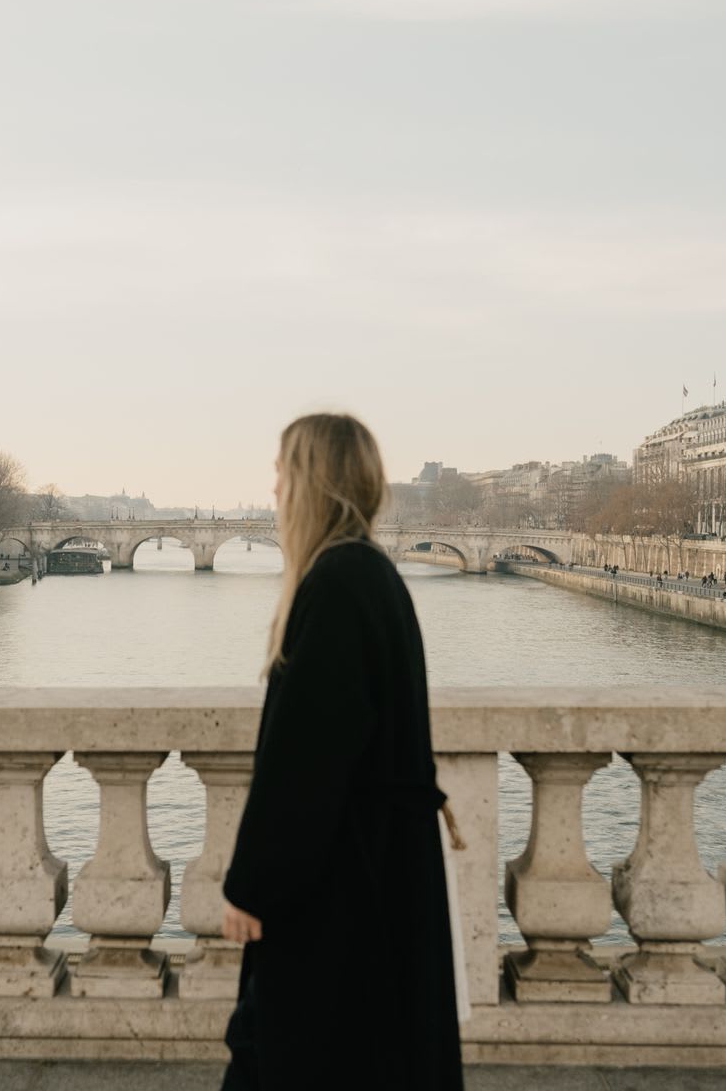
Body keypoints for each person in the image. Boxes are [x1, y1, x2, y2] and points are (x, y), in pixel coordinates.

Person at [220, 414, 463, 1091]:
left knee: (298, 1055)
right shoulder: (370, 575)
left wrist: (252, 886)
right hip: (377, 873)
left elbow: (304, 764)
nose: (271, 489)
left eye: (281, 471)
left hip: (340, 889)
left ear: (311, 483)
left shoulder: (334, 584)